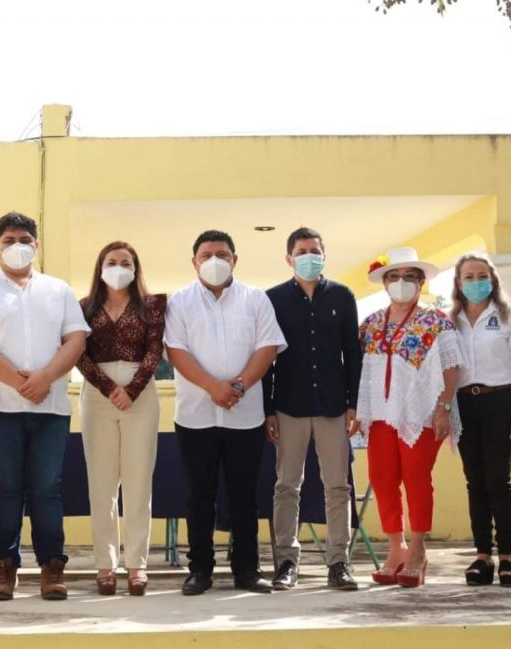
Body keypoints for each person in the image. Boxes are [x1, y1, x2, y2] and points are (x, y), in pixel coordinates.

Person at [0, 211, 90, 601]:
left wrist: (44, 379)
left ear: (36, 245)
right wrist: (21, 382)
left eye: (24, 240)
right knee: (5, 489)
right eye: (8, 241)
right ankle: (5, 568)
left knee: (47, 490)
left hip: (50, 408)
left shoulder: (59, 289)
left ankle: (52, 568)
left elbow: (76, 341)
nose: (17, 247)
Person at [164, 229, 286, 595]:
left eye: (222, 254)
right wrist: (213, 387)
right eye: (206, 255)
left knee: (244, 495)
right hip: (195, 415)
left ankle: (247, 569)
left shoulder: (256, 299)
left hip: (244, 415)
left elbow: (267, 348)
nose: (214, 260)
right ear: (194, 261)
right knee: (199, 495)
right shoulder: (180, 302)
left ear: (235, 259)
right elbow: (177, 352)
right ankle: (199, 569)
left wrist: (237, 387)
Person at [356, 247, 461, 588]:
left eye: (410, 277)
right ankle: (395, 548)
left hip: (423, 414)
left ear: (421, 282)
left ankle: (417, 549)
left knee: (416, 477)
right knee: (382, 478)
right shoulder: (370, 324)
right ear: (384, 282)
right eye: (394, 277)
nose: (402, 283)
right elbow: (360, 370)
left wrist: (444, 407)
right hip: (381, 414)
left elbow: (451, 365)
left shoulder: (436, 320)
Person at [263, 227, 361, 591]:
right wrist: (267, 410)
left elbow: (352, 353)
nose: (309, 256)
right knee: (287, 485)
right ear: (289, 258)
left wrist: (354, 404)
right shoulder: (272, 299)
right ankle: (286, 561)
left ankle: (339, 562)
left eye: (314, 250)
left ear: (324, 254)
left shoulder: (342, 296)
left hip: (333, 406)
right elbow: (267, 358)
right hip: (288, 406)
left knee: (338, 486)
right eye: (301, 251)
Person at [76, 241, 166, 596]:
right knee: (101, 485)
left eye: (125, 262)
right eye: (111, 261)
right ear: (100, 268)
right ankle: (105, 564)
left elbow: (155, 349)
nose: (118, 267)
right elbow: (77, 351)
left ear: (135, 267)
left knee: (138, 482)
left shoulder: (154, 304)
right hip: (97, 395)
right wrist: (107, 386)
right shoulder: (84, 307)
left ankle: (137, 565)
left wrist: (132, 389)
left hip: (140, 394)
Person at [450, 253, 511, 587]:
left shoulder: (508, 315)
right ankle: (482, 554)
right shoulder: (448, 320)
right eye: (468, 277)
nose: (475, 282)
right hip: (464, 405)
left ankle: (507, 556)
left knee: (498, 480)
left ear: (493, 278)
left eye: (481, 275)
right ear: (458, 282)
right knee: (475, 482)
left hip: (500, 402)